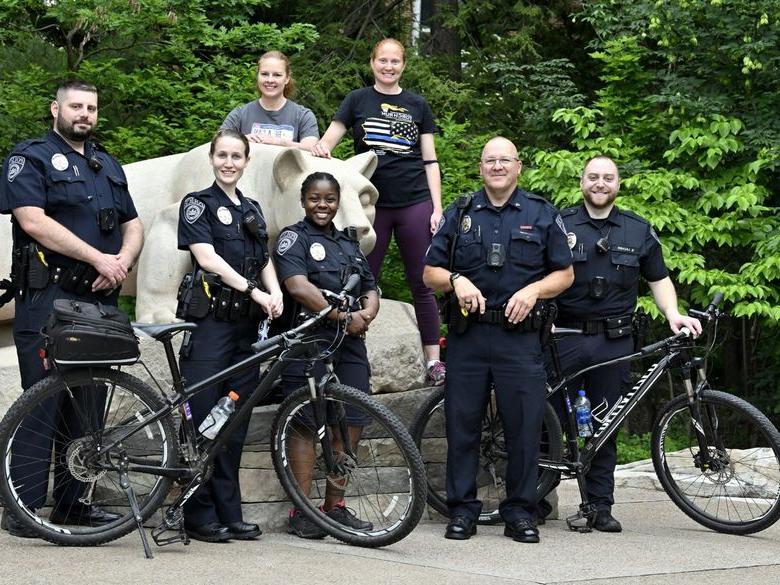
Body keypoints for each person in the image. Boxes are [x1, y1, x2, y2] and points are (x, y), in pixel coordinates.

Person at [0, 80, 144, 537]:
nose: (84, 114)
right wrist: (96, 257)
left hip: (98, 300)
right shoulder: (31, 157)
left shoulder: (107, 164)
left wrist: (121, 261)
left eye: (91, 108)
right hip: (49, 299)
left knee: (89, 403)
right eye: (76, 106)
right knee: (40, 400)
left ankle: (73, 504)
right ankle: (21, 507)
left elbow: (133, 224)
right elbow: (32, 220)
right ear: (55, 108)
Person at [423, 137, 574, 544]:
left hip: (519, 340)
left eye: (504, 160)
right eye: (490, 160)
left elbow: (565, 274)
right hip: (469, 337)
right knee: (463, 426)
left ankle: (521, 512)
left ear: (518, 166)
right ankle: (462, 511)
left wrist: (534, 291)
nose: (497, 166)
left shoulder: (542, 214)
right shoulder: (460, 212)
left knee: (524, 428)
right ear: (480, 167)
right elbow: (430, 272)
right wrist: (456, 280)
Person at [546, 155, 702, 532]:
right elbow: (536, 274)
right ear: (582, 182)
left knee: (604, 424)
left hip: (614, 341)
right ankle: (535, 501)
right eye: (593, 177)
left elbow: (659, 278)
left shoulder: (637, 229)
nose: (600, 183)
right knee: (544, 421)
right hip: (561, 338)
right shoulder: (557, 223)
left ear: (618, 184)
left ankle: (600, 506)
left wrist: (673, 314)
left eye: (608, 178)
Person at [310, 38, 444, 386]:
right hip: (370, 204)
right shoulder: (357, 100)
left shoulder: (418, 104)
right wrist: (313, 147)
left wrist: (437, 208)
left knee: (423, 281)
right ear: (372, 63)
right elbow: (327, 144)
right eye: (382, 60)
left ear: (403, 65)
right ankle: (351, 359)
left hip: (415, 201)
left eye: (395, 61)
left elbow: (430, 160)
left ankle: (434, 362)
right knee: (358, 280)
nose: (388, 66)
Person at [176, 128, 284, 542]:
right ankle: (197, 513)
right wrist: (255, 290)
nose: (229, 162)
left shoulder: (252, 209)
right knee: (203, 417)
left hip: (246, 330)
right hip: (210, 326)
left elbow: (263, 259)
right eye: (222, 155)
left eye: (236, 156)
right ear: (211, 157)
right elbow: (206, 257)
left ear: (246, 160)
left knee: (234, 419)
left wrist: (273, 290)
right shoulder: (197, 204)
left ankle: (228, 510)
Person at [273, 171, 380, 539]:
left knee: (352, 423)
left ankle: (334, 506)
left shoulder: (349, 243)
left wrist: (365, 315)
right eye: (315, 198)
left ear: (338, 201)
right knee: (304, 423)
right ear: (304, 201)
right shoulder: (293, 238)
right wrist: (343, 317)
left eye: (330, 199)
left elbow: (370, 286)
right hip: (308, 342)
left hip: (349, 342)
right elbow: (298, 286)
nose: (323, 205)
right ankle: (302, 512)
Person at [221, 50, 319, 150]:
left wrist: (278, 142)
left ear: (287, 78)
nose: (270, 80)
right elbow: (218, 143)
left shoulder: (303, 116)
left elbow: (310, 149)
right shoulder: (240, 114)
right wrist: (242, 140)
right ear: (257, 76)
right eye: (264, 74)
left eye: (277, 75)